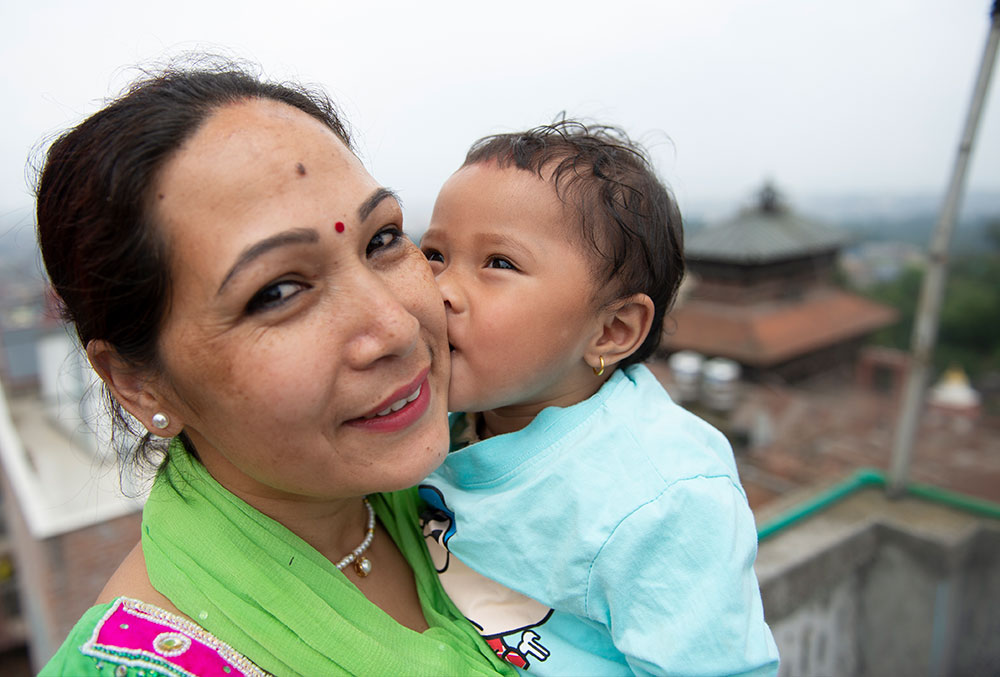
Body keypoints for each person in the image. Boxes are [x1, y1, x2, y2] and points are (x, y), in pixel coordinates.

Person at [35, 62, 516, 676]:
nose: (396, 328)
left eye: (382, 240)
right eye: (278, 292)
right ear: (137, 382)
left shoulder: (489, 461)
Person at [417, 120, 780, 675]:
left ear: (611, 331)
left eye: (499, 263)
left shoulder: (661, 498)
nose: (439, 289)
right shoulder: (429, 418)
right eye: (435, 254)